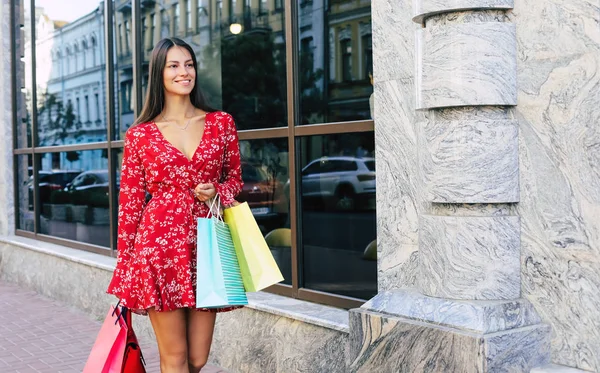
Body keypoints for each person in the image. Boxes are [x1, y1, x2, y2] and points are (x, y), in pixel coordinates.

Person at [106, 37, 243, 373]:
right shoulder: (140, 134)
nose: (184, 72)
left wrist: (216, 193)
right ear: (160, 74)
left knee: (197, 358)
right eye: (174, 65)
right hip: (158, 251)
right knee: (175, 358)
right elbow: (130, 204)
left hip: (207, 246)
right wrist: (126, 266)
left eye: (189, 64)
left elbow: (236, 181)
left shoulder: (221, 123)